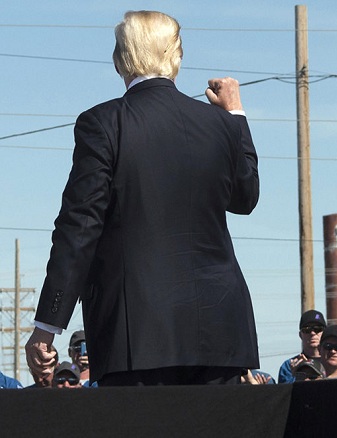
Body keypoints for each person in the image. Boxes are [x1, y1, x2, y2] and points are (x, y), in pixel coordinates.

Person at [25, 10, 260, 386]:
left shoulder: (103, 123)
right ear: (177, 57)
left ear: (120, 60)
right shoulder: (221, 124)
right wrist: (235, 115)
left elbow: (80, 227)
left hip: (136, 336)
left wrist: (48, 324)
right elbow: (245, 198)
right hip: (220, 333)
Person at [277, 310, 337, 383]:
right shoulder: (289, 365)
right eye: (307, 330)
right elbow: (285, 392)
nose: (312, 333)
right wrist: (298, 374)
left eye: (318, 329)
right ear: (300, 335)